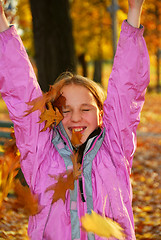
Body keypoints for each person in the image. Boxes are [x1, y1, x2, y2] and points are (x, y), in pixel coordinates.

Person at [0, 0, 150, 239]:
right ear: (54, 115)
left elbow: (126, 87)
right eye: (66, 110)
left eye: (86, 109)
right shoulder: (41, 153)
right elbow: (21, 90)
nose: (76, 117)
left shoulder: (114, 149)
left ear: (102, 114)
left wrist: (134, 10)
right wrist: (2, 21)